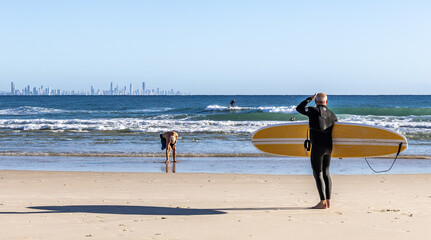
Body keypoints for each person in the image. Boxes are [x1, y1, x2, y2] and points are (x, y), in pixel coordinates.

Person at [296, 93, 338, 209]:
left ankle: (322, 202)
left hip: (317, 147)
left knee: (317, 173)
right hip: (329, 147)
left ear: (316, 102)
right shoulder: (332, 115)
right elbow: (337, 134)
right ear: (327, 102)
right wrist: (341, 152)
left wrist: (309, 99)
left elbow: (299, 108)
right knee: (326, 173)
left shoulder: (312, 111)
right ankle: (328, 202)